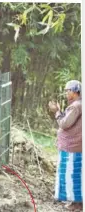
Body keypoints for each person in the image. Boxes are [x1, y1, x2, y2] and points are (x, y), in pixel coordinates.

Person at [48, 80, 82, 211]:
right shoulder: (77, 105)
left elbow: (64, 124)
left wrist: (56, 111)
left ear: (75, 92)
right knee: (75, 175)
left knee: (72, 175)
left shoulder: (76, 106)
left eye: (68, 91)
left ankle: (77, 203)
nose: (66, 93)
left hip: (73, 148)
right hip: (74, 147)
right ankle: (76, 202)